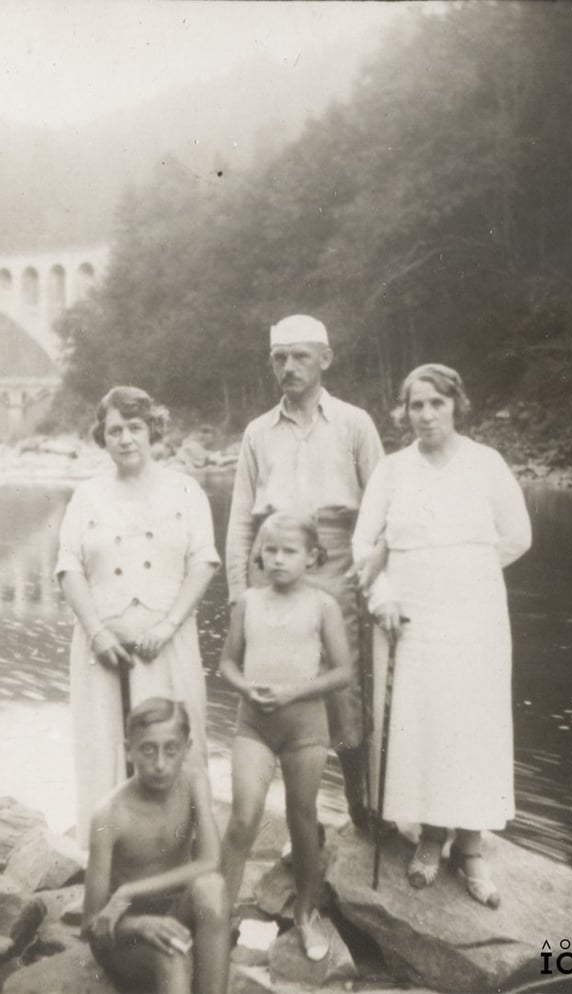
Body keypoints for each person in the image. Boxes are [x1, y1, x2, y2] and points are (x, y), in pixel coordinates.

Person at [353, 364, 531, 907]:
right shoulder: (392, 470)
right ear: (402, 411)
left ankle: (470, 847)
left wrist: (467, 572)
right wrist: (384, 595)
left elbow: (517, 537)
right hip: (408, 616)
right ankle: (431, 836)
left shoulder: (486, 463)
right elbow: (364, 545)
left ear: (457, 405)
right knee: (424, 723)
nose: (427, 415)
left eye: (437, 403)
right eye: (416, 405)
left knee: (473, 723)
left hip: (475, 614)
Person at [225, 314, 384, 829]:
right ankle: (296, 815)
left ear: (325, 359)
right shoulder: (257, 432)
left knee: (342, 688)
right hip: (269, 566)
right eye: (279, 358)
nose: (288, 367)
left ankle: (361, 803)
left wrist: (374, 579)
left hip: (336, 564)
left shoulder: (355, 424)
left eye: (300, 356)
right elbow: (240, 517)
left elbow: (384, 507)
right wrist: (238, 592)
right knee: (272, 683)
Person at [56, 386, 220, 845]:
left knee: (173, 747)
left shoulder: (185, 490)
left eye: (135, 427)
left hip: (168, 645)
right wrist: (97, 631)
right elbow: (68, 567)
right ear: (102, 437)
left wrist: (167, 625)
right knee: (104, 749)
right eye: (114, 430)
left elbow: (204, 562)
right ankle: (109, 861)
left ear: (153, 431)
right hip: (102, 652)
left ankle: (178, 857)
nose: (125, 438)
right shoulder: (87, 495)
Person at [219, 513, 351, 961]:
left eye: (289, 551)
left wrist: (294, 691)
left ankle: (305, 915)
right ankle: (218, 917)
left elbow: (342, 671)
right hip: (254, 723)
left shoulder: (323, 605)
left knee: (302, 817)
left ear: (312, 557)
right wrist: (245, 687)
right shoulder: (248, 602)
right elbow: (227, 664)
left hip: (305, 726)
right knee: (243, 818)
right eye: (270, 550)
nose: (277, 559)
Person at [83, 697, 230, 994]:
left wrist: (128, 890)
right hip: (124, 932)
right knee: (173, 954)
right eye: (148, 750)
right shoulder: (109, 815)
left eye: (171, 750)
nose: (160, 764)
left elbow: (211, 861)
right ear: (129, 751)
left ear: (187, 748)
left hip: (174, 912)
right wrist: (140, 924)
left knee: (212, 888)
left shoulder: (194, 782)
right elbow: (90, 924)